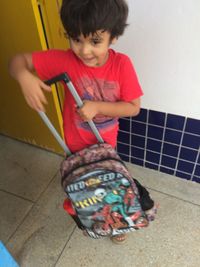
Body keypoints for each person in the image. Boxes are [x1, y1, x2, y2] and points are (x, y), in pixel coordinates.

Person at [9, 0, 157, 243]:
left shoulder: (122, 65)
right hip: (74, 147)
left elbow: (133, 107)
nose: (84, 50)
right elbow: (17, 61)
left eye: (95, 41)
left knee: (112, 187)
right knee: (82, 187)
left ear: (114, 37)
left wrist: (98, 106)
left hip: (105, 146)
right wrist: (24, 75)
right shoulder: (65, 60)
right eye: (76, 39)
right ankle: (88, 214)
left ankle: (119, 225)